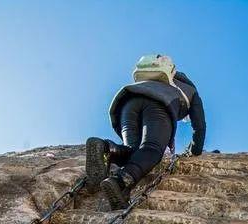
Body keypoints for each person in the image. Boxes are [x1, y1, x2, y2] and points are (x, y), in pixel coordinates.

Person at [86, 54, 206, 209]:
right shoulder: (191, 90)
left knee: (135, 152)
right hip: (159, 106)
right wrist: (195, 150)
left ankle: (106, 149)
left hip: (127, 103)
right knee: (152, 149)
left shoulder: (157, 79)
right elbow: (200, 126)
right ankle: (120, 182)